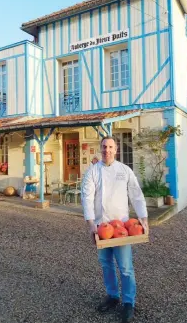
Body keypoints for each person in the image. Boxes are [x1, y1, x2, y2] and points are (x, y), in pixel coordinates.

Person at [81, 136, 148, 323]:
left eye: (110, 147)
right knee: (106, 264)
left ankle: (128, 302)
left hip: (121, 228)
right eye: (104, 147)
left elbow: (136, 194)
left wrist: (143, 219)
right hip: (102, 227)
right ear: (100, 148)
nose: (107, 150)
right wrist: (91, 225)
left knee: (125, 267)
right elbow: (87, 198)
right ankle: (112, 295)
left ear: (116, 149)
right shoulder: (92, 172)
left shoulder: (124, 170)